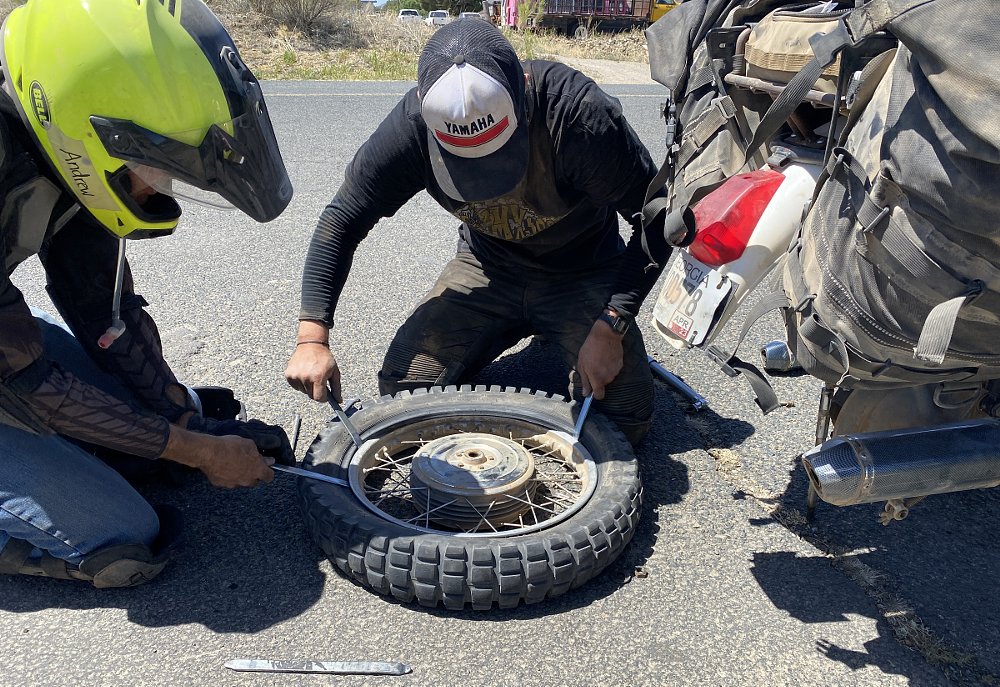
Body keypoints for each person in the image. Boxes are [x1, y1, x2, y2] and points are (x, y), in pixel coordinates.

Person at [0, 0, 295, 588]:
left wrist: (182, 419)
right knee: (121, 538)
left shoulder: (59, 142)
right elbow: (32, 386)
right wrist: (195, 451)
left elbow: (103, 312)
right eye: (154, 166)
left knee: (139, 434)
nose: (161, 186)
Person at [285, 20, 672, 444]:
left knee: (623, 418)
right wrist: (311, 336)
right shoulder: (413, 128)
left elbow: (654, 217)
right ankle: (528, 329)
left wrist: (611, 323)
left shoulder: (576, 114)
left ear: (523, 88)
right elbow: (344, 218)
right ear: (424, 107)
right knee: (405, 394)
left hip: (582, 271)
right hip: (488, 268)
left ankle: (565, 328)